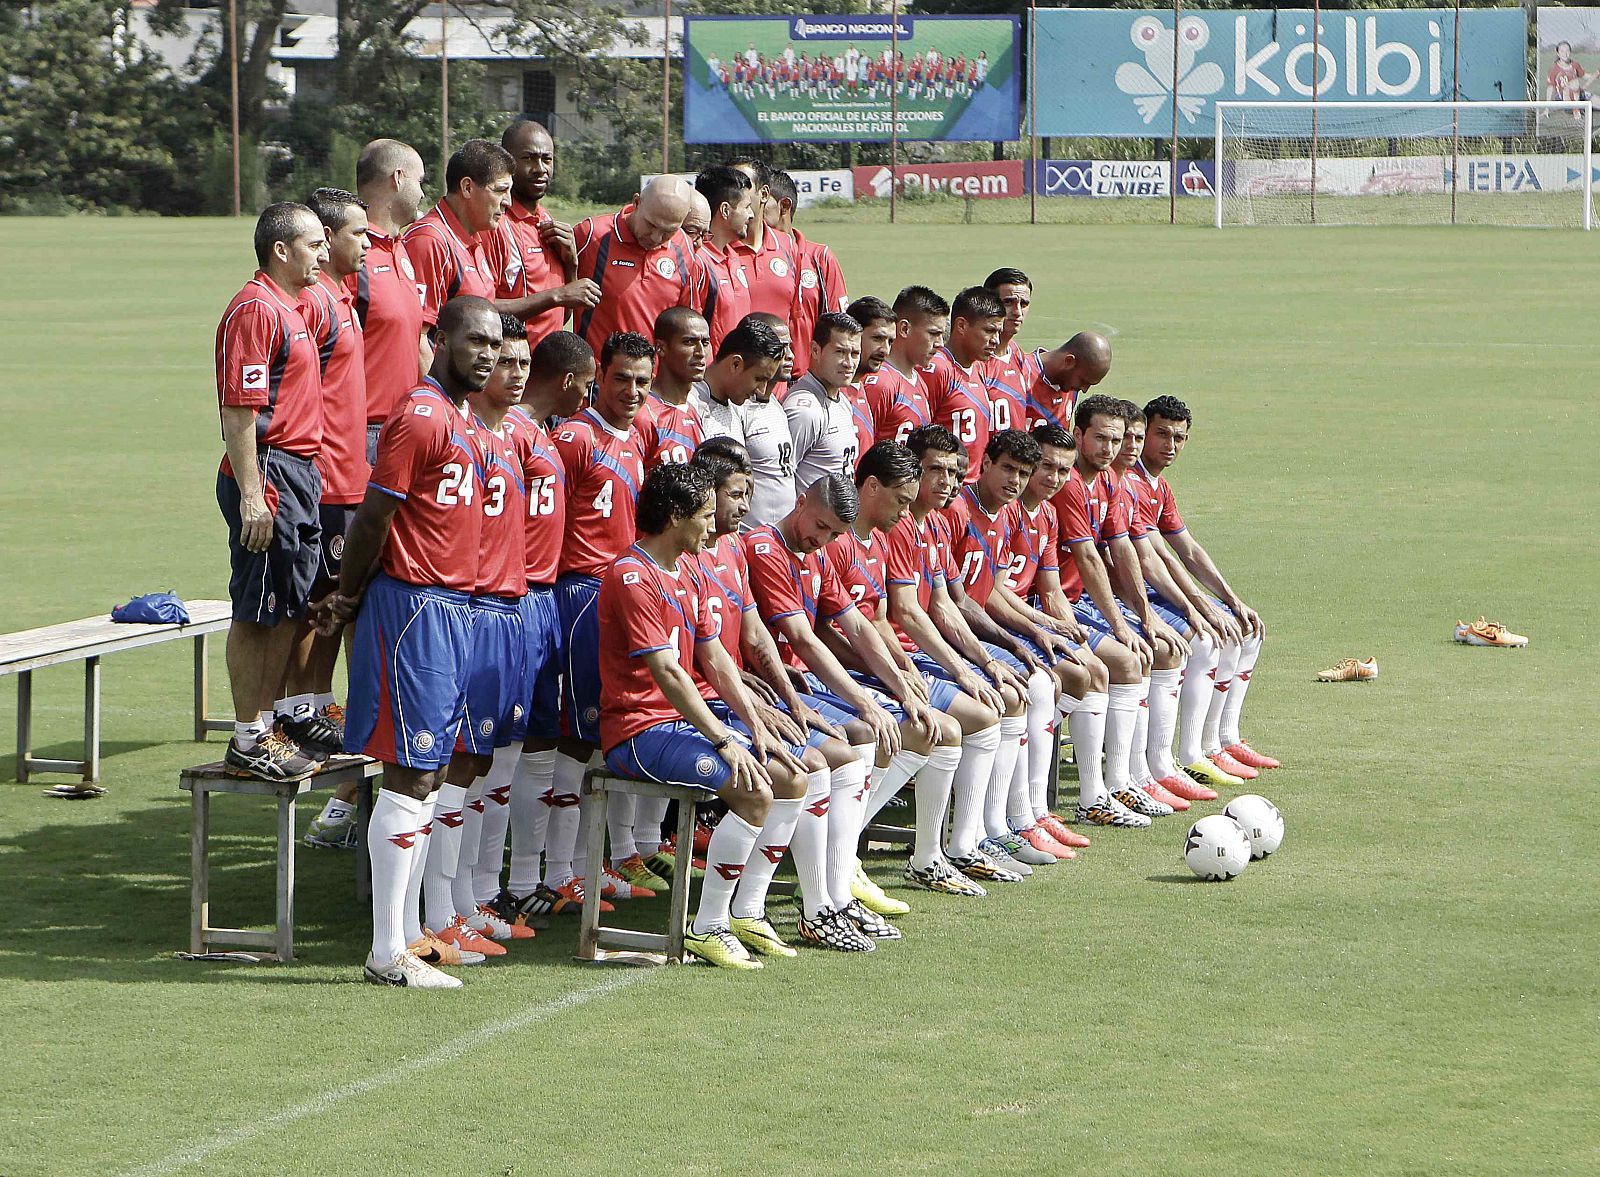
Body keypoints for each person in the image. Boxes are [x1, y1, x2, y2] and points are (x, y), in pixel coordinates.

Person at [321, 294, 505, 988]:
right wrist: (346, 593)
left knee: (428, 773)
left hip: (452, 607)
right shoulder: (422, 414)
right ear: (438, 339)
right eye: (473, 340)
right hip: (415, 609)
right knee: (410, 769)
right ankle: (384, 950)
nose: (485, 353)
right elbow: (374, 516)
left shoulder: (465, 419)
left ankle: (403, 937)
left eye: (493, 342)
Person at [597, 463, 806, 970]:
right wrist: (723, 739)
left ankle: (746, 912)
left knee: (794, 776)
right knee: (753, 787)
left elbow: (714, 659)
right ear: (674, 517)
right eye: (705, 516)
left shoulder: (688, 567)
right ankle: (707, 926)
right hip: (638, 730)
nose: (714, 527)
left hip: (681, 723)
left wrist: (754, 724)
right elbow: (669, 673)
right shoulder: (632, 575)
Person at [685, 446, 878, 953]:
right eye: (733, 495)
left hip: (749, 692)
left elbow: (771, 637)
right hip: (703, 706)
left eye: (748, 494)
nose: (824, 541)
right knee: (823, 759)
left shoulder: (733, 552)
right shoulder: (753, 551)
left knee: (851, 748)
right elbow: (756, 649)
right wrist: (799, 703)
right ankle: (812, 904)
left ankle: (828, 892)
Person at [743, 475, 938, 949]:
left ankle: (835, 890)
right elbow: (803, 641)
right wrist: (864, 700)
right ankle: (822, 902)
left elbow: (856, 623)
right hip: (771, 690)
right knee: (856, 745)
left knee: (900, 730)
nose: (821, 539)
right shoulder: (766, 550)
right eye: (819, 526)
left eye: (832, 533)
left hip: (800, 687)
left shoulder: (819, 554)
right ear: (801, 501)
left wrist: (898, 688)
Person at [415, 313, 539, 962]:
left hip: (505, 612)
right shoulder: (451, 425)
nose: (504, 368)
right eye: (496, 354)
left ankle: (464, 903)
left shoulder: (517, 432)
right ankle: (439, 914)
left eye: (517, 359)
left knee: (481, 761)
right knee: (449, 763)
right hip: (459, 613)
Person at [480, 331, 597, 923]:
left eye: (524, 363)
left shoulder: (541, 433)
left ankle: (527, 879)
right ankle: (483, 891)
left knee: (538, 742)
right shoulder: (509, 434)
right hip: (514, 601)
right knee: (497, 751)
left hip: (544, 599)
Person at [214, 202, 328, 783]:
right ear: (281, 249)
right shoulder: (256, 310)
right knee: (257, 611)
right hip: (269, 474)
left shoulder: (297, 305)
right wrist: (254, 496)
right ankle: (246, 737)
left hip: (298, 472)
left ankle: (268, 729)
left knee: (288, 605)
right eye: (313, 244)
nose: (324, 254)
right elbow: (240, 412)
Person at [541, 332, 654, 909]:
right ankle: (559, 872)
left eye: (641, 381)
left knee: (595, 739)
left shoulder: (636, 436)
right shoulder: (576, 438)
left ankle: (586, 862)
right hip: (577, 595)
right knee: (574, 737)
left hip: (614, 596)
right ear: (597, 379)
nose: (632, 391)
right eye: (621, 379)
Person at [1135, 394, 1278, 782]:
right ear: (1142, 433)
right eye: (1161, 434)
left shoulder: (1158, 487)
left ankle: (1222, 740)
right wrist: (1198, 607)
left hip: (1155, 590)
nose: (1170, 445)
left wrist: (1232, 600)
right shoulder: (1130, 482)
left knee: (1246, 628)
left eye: (1179, 438)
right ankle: (1190, 753)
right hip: (1129, 595)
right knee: (1207, 638)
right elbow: (1157, 557)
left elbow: (1188, 548)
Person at [295, 188, 371, 847]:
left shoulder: (346, 295)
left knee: (339, 607)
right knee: (319, 611)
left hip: (352, 479)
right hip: (326, 483)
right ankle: (306, 717)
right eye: (355, 234)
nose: (366, 243)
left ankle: (319, 717)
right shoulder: (317, 301)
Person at [484, 120, 599, 348]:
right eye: (528, 158)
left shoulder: (547, 221)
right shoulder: (495, 224)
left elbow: (559, 316)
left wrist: (571, 265)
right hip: (510, 369)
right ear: (506, 161)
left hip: (547, 372)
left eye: (547, 159)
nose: (540, 168)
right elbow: (480, 309)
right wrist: (559, 294)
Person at [350, 139, 428, 455]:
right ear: (398, 179)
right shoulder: (350, 256)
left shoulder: (401, 248)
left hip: (403, 426)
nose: (423, 193)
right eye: (419, 181)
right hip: (364, 432)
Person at [571, 175, 701, 354]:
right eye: (651, 225)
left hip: (653, 379)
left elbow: (688, 323)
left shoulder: (684, 248)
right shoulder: (591, 235)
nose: (656, 237)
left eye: (668, 231)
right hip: (599, 377)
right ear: (637, 202)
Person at [402, 139, 513, 327]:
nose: (508, 202)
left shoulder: (474, 237)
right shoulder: (430, 241)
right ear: (467, 188)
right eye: (500, 190)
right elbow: (419, 335)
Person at [765, 170, 848, 381]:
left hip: (808, 382)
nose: (752, 211)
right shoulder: (746, 257)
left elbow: (838, 327)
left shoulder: (820, 258)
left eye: (763, 201)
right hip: (759, 381)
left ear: (784, 206)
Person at [926, 286, 1004, 481]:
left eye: (998, 332)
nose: (995, 340)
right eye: (989, 331)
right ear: (961, 325)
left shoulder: (978, 367)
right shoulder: (938, 369)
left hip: (972, 491)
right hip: (946, 491)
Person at [783, 311, 863, 494]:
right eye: (840, 352)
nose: (849, 363)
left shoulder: (841, 400)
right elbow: (782, 481)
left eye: (855, 353)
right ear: (815, 350)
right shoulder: (803, 410)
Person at [738, 311, 799, 529]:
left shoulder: (776, 405)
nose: (790, 355)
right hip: (747, 535)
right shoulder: (740, 408)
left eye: (790, 346)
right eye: (781, 348)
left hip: (778, 539)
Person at [865, 285, 945, 447]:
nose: (940, 344)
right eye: (933, 334)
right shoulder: (881, 383)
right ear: (904, 328)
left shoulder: (919, 381)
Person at [689, 315, 784, 448]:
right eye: (759, 379)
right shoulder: (690, 407)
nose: (761, 390)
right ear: (735, 364)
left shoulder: (738, 407)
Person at [692, 165, 756, 349]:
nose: (751, 215)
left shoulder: (735, 257)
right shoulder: (698, 262)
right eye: (747, 207)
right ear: (726, 210)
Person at [638, 305, 709, 466]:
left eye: (705, 343)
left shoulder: (694, 410)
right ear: (661, 348)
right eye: (689, 342)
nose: (700, 352)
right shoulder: (642, 413)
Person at [1024, 330, 1113, 434]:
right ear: (1069, 361)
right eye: (1083, 381)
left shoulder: (1069, 386)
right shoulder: (1019, 373)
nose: (1084, 390)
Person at [844, 295, 894, 459]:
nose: (885, 350)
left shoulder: (863, 388)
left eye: (890, 341)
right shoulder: (823, 395)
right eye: (877, 338)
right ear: (853, 335)